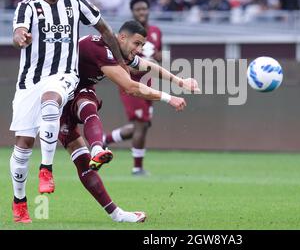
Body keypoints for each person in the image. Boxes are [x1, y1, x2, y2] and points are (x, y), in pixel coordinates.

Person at [10, 0, 127, 223]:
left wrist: (122, 62)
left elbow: (105, 29)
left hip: (64, 76)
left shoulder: (75, 3)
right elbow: (18, 34)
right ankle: (19, 202)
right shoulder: (26, 8)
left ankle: (46, 169)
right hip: (29, 82)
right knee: (23, 145)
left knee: (51, 101)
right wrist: (21, 38)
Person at [53, 20, 198, 223]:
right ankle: (96, 149)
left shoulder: (120, 52)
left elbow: (148, 66)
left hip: (75, 94)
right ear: (121, 38)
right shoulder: (99, 48)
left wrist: (180, 81)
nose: (139, 50)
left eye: (142, 46)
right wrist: (169, 98)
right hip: (55, 96)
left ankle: (117, 214)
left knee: (85, 159)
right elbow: (131, 87)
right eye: (136, 44)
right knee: (86, 106)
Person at [103, 0, 164, 175]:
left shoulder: (156, 32)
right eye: (138, 9)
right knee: (141, 124)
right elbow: (123, 61)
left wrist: (158, 58)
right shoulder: (126, 35)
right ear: (132, 12)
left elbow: (157, 54)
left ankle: (102, 140)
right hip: (131, 83)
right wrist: (143, 67)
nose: (142, 12)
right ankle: (137, 168)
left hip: (149, 84)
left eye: (144, 8)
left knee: (143, 125)